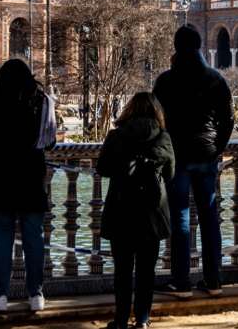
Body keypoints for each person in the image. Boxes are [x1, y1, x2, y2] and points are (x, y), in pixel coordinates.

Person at [152, 24, 233, 297]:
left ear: (175, 46)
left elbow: (156, 121)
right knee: (210, 217)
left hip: (177, 156)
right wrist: (217, 146)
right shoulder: (215, 78)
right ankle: (213, 280)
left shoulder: (165, 81)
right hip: (206, 154)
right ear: (199, 46)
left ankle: (181, 281)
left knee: (181, 218)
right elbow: (228, 118)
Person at [0, 59, 54, 313]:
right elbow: (49, 142)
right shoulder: (41, 101)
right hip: (31, 174)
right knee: (34, 236)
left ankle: (0, 295)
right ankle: (36, 294)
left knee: (2, 236)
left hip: (3, 174)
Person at [98, 93, 175, 329]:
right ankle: (142, 319)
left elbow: (103, 168)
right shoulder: (163, 137)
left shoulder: (116, 136)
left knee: (122, 271)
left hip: (121, 209)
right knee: (146, 271)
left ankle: (121, 319)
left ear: (129, 109)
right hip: (151, 212)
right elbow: (170, 174)